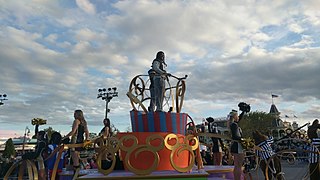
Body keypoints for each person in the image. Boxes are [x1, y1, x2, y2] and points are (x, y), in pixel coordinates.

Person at [229, 110, 245, 180]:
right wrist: (244, 140)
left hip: (235, 146)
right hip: (238, 146)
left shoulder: (232, 124)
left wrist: (243, 111)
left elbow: (240, 119)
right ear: (235, 116)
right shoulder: (234, 125)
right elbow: (236, 136)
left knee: (236, 165)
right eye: (237, 116)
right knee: (239, 165)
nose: (238, 117)